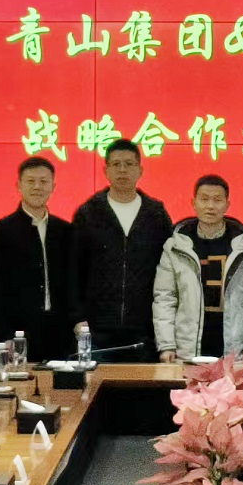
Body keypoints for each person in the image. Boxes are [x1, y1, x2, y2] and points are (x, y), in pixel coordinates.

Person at [70, 139, 173, 361]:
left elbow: (169, 272)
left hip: (145, 332)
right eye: (116, 164)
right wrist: (78, 317)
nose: (123, 170)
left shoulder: (156, 215)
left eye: (129, 164)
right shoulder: (88, 214)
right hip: (97, 331)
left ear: (140, 170)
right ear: (106, 170)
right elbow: (73, 271)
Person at [153, 175, 243, 362]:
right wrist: (167, 344)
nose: (210, 206)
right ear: (194, 203)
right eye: (204, 199)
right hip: (186, 350)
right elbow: (165, 299)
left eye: (217, 200)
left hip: (233, 351)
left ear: (227, 204)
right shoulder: (174, 247)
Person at [0, 156, 72, 362]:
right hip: (18, 332)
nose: (37, 187)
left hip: (59, 331)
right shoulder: (1, 230)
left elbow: (73, 282)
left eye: (43, 181)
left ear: (53, 187)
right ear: (19, 185)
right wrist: (3, 334)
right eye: (31, 181)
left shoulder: (65, 230)